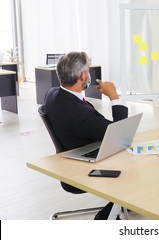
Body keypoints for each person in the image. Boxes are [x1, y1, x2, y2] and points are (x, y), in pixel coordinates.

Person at [44, 51, 128, 219]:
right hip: (84, 166)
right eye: (88, 71)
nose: (89, 75)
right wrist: (114, 96)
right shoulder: (78, 113)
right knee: (132, 159)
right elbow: (121, 133)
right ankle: (107, 215)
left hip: (74, 154)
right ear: (83, 76)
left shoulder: (53, 94)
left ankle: (124, 205)